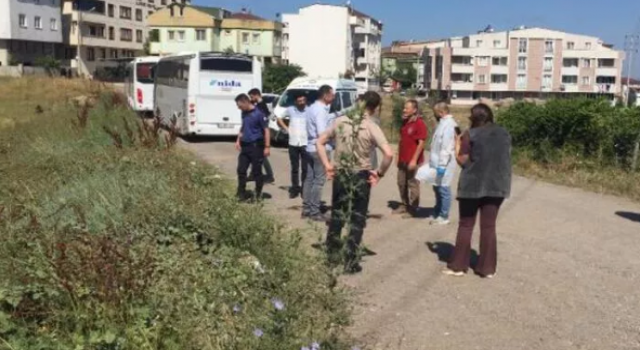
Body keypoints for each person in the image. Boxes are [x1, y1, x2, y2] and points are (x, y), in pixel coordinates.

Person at [317, 91, 394, 274]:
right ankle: (350, 261)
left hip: (341, 174)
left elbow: (320, 142)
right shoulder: (371, 126)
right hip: (361, 175)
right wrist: (379, 174)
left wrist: (328, 165)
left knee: (337, 214)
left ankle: (331, 257)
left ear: (359, 102)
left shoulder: (341, 121)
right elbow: (389, 154)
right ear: (374, 108)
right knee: (357, 217)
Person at [443, 103, 511, 278]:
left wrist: (457, 145)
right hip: (497, 185)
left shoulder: (469, 135)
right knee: (488, 226)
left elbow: (463, 161)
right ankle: (487, 268)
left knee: (466, 225)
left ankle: (458, 266)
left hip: (472, 185)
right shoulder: (504, 133)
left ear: (473, 118)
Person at [302, 85, 336, 222]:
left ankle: (306, 209)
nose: (334, 97)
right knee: (319, 181)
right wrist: (334, 136)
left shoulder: (311, 108)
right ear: (325, 95)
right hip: (319, 149)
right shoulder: (321, 111)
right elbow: (322, 134)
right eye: (332, 94)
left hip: (310, 147)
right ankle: (314, 211)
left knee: (309, 179)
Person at [394, 99, 427, 218]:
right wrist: (397, 155)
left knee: (413, 183)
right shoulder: (405, 122)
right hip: (402, 159)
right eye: (404, 107)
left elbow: (421, 143)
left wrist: (414, 160)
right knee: (401, 183)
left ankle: (413, 208)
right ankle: (404, 204)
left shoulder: (419, 123)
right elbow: (401, 140)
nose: (404, 110)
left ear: (414, 110)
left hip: (413, 160)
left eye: (407, 108)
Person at [234, 93, 271, 201]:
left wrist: (267, 147)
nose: (238, 108)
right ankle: (241, 193)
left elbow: (266, 130)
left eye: (240, 105)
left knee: (256, 172)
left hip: (256, 146)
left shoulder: (259, 114)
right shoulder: (243, 113)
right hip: (245, 146)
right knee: (241, 170)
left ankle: (257, 194)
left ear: (246, 102)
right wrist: (238, 140)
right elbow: (243, 126)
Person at [429, 101, 458, 225]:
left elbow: (446, 147)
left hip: (444, 163)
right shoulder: (442, 124)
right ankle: (437, 212)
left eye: (436, 113)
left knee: (444, 189)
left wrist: (442, 165)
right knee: (436, 188)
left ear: (441, 112)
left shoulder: (450, 126)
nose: (434, 115)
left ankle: (444, 215)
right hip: (436, 162)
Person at [277, 93, 309, 199]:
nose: (301, 103)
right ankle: (295, 189)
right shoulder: (290, 110)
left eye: (303, 100)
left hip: (305, 143)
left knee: (305, 168)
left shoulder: (309, 111)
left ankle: (304, 190)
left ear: (305, 101)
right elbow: (279, 118)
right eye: (299, 101)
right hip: (293, 143)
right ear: (296, 102)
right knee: (294, 168)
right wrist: (286, 129)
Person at [248, 88, 275, 184]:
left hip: (261, 135)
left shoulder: (262, 105)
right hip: (255, 134)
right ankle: (253, 174)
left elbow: (264, 121)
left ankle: (270, 176)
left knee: (262, 156)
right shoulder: (258, 105)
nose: (251, 98)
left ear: (256, 95)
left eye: (251, 96)